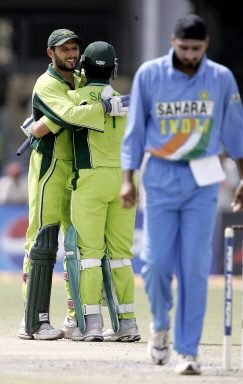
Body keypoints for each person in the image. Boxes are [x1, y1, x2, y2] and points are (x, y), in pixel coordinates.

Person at [120, 14, 243, 375]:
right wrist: (128, 179)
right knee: (156, 264)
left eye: (197, 48)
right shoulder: (150, 74)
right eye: (184, 47)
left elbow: (236, 132)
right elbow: (135, 130)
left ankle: (187, 351)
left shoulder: (220, 77)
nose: (190, 54)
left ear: (205, 45)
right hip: (159, 175)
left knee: (194, 267)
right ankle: (160, 325)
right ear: (173, 42)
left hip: (203, 179)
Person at [17, 29, 127, 341]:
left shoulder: (79, 80)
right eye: (64, 49)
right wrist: (105, 107)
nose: (71, 54)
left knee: (76, 245)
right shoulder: (46, 83)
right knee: (42, 240)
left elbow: (74, 108)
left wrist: (42, 124)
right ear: (50, 53)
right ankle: (32, 321)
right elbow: (68, 113)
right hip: (51, 166)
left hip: (80, 169)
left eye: (75, 48)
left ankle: (74, 315)